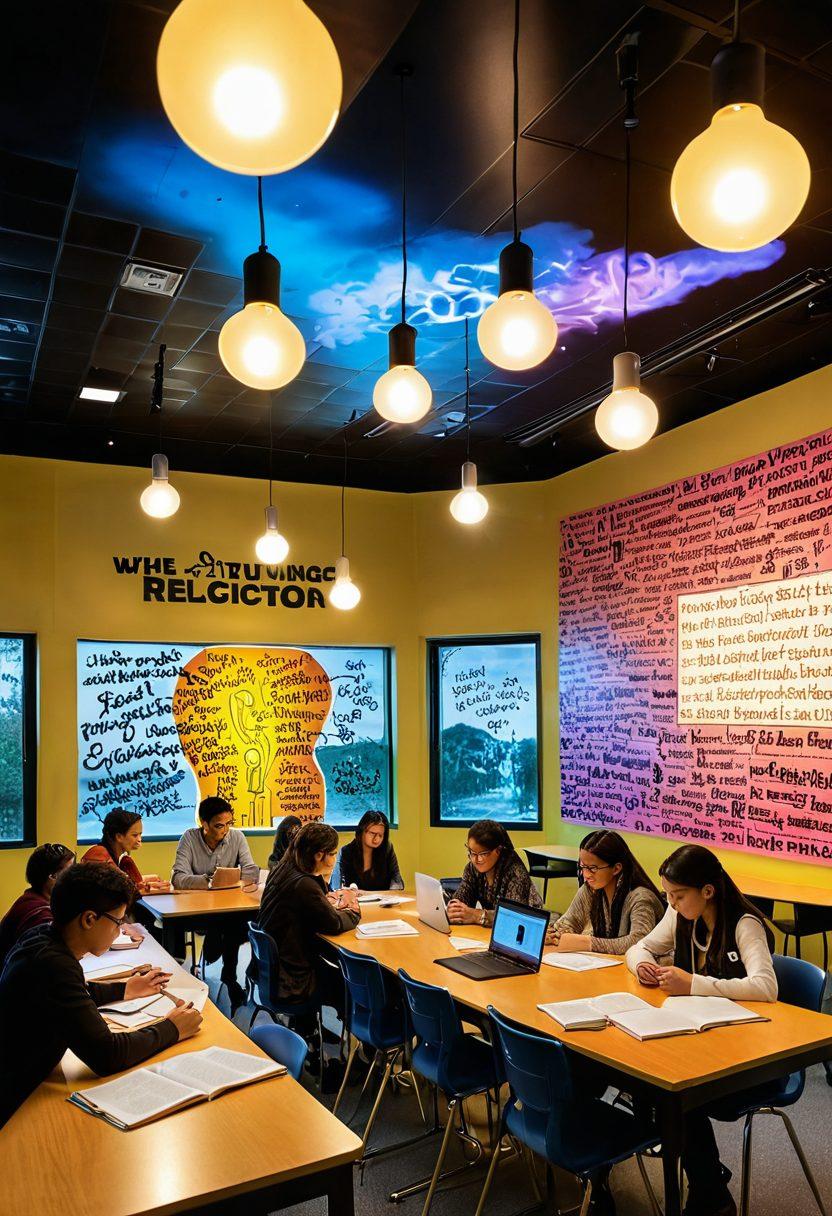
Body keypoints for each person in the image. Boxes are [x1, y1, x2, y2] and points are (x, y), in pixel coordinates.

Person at [627, 845, 777, 1216]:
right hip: (698, 1038)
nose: (671, 903)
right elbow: (638, 947)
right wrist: (643, 965)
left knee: (675, 1098)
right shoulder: (681, 915)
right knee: (650, 1084)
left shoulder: (744, 924)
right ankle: (709, 1184)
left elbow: (765, 988)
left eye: (677, 896)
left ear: (707, 891)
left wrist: (693, 983)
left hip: (746, 1055)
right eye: (668, 895)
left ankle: (708, 1187)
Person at [0, 862, 202, 1128]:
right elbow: (107, 1055)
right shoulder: (53, 965)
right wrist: (171, 1028)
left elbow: (74, 992)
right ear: (89, 919)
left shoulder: (43, 938)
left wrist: (125, 988)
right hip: (15, 1105)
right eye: (118, 922)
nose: (119, 930)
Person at [259, 821, 360, 1008]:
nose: (334, 859)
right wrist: (353, 910)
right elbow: (334, 924)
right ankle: (347, 1034)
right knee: (352, 982)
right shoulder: (304, 885)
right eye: (333, 853)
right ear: (319, 854)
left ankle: (308, 1028)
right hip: (294, 980)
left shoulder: (284, 867)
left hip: (275, 972)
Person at [171, 796, 259, 1010]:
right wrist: (209, 881)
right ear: (205, 824)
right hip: (197, 909)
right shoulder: (189, 838)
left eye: (229, 823)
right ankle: (183, 979)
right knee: (220, 923)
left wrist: (232, 878)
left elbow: (251, 871)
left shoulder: (237, 837)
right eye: (219, 825)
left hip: (227, 907)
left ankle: (229, 976)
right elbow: (178, 878)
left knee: (240, 920)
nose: (226, 830)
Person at [547, 829, 664, 952]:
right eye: (583, 866)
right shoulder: (590, 889)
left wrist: (587, 942)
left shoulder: (641, 898)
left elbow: (640, 942)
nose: (586, 875)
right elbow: (569, 923)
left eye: (593, 868)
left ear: (616, 868)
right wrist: (554, 934)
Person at [447, 819, 544, 927]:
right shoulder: (472, 869)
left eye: (482, 854)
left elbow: (514, 917)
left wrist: (476, 915)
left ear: (498, 850)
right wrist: (454, 910)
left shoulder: (515, 872)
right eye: (472, 852)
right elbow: (462, 902)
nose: (476, 859)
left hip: (528, 930)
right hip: (489, 932)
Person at [0, 843, 75, 969]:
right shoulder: (39, 916)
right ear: (52, 877)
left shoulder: (30, 898)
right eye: (70, 872)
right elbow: (50, 961)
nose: (74, 878)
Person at [81, 808, 170, 894]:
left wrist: (146, 883)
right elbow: (109, 893)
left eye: (140, 834)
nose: (139, 839)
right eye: (135, 835)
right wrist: (147, 886)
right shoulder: (98, 854)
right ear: (119, 836)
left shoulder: (116, 856)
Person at [334, 810, 404, 891]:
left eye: (380, 835)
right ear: (361, 831)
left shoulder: (387, 849)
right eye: (372, 833)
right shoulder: (346, 851)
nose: (376, 839)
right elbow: (336, 885)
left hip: (384, 900)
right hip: (356, 901)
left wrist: (392, 893)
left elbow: (396, 878)